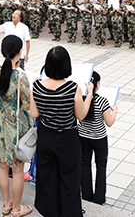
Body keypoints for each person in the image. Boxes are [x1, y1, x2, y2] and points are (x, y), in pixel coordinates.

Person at [30, 46, 93, 217]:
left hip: (46, 137)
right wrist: (89, 96)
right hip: (67, 139)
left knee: (48, 177)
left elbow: (34, 113)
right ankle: (70, 212)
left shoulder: (37, 86)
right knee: (70, 179)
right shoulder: (73, 88)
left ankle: (50, 212)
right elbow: (80, 115)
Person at [0, 35, 33, 217]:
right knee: (18, 170)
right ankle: (16, 208)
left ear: (2, 50)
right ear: (20, 52)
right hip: (16, 128)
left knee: (2, 166)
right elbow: (27, 104)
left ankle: (7, 203)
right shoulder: (21, 77)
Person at [78, 71, 117, 205]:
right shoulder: (102, 101)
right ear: (98, 85)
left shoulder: (80, 99)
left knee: (84, 164)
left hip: (82, 136)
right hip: (99, 138)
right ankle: (99, 198)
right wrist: (115, 111)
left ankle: (86, 195)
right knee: (101, 166)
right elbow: (109, 122)